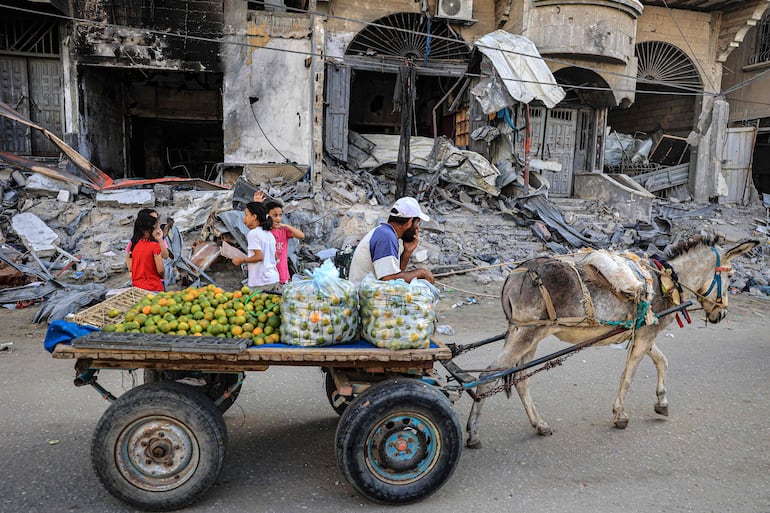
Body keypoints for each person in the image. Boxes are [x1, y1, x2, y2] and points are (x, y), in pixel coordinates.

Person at [348, 196, 435, 287]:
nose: (417, 228)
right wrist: (422, 273)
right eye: (417, 223)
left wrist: (407, 253)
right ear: (409, 221)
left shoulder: (386, 233)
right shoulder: (386, 236)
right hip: (363, 295)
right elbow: (388, 280)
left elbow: (395, 277)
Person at [230, 201, 280, 291]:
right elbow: (275, 257)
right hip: (273, 277)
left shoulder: (253, 234)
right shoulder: (269, 234)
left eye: (246, 215)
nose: (244, 219)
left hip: (262, 281)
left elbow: (259, 256)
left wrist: (242, 260)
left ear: (254, 217)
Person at [262, 199, 305, 284]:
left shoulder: (284, 231)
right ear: (267, 216)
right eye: (275, 215)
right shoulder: (263, 233)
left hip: (282, 274)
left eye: (280, 215)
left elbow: (301, 235)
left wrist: (286, 225)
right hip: (267, 275)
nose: (278, 218)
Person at [126, 213, 165, 292]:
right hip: (153, 287)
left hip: (137, 287)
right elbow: (160, 270)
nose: (158, 231)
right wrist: (163, 275)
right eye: (155, 228)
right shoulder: (155, 246)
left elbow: (130, 268)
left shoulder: (135, 246)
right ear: (146, 231)